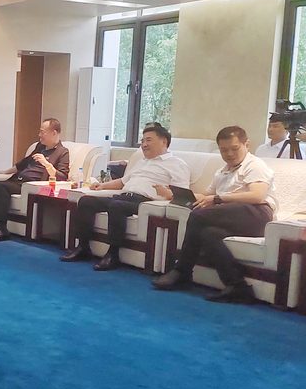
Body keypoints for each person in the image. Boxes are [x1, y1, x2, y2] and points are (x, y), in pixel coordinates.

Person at [153, 126, 277, 303]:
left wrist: (218, 199)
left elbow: (257, 196)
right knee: (208, 234)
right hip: (234, 216)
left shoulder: (255, 165)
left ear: (247, 145)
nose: (229, 154)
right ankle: (238, 286)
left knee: (198, 215)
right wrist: (174, 195)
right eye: (224, 150)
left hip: (257, 214)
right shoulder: (222, 171)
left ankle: (182, 271)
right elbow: (206, 196)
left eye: (234, 148)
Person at [61, 123, 190, 271]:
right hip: (123, 197)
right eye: (142, 141)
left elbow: (183, 195)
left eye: (148, 140)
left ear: (164, 141)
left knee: (117, 206)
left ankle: (113, 254)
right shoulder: (142, 162)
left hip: (144, 203)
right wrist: (102, 186)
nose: (144, 145)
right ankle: (83, 247)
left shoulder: (176, 164)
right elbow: (123, 182)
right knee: (86, 201)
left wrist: (167, 193)